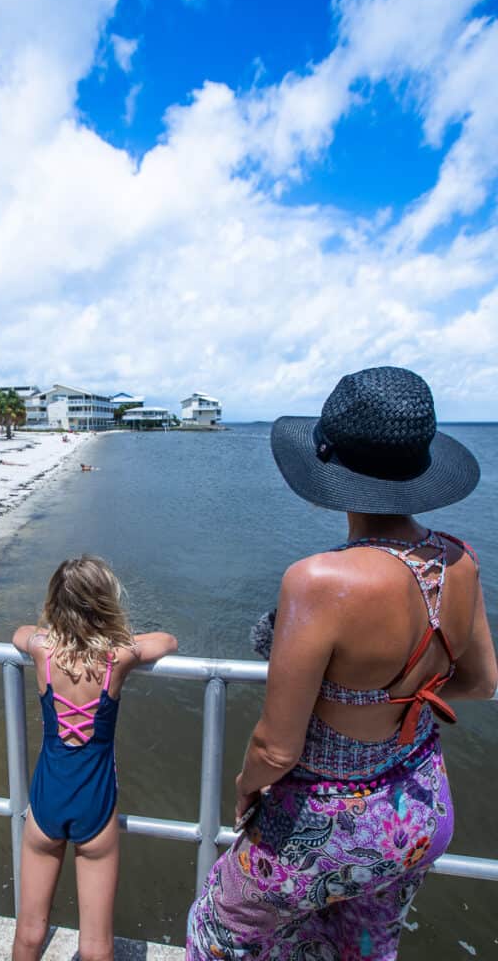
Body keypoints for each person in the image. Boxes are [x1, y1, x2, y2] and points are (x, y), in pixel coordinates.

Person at [187, 366, 497, 961]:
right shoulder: (460, 561)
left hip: (326, 827)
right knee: (363, 946)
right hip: (420, 811)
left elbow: (277, 749)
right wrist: (396, 701)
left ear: (331, 468)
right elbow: (482, 683)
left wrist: (244, 789)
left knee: (217, 931)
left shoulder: (318, 582)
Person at [12, 556, 178, 961]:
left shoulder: (42, 650)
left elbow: (19, 633)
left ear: (55, 601)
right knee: (96, 944)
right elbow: (168, 641)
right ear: (104, 601)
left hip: (47, 796)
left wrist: (47, 631)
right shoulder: (118, 656)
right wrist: (119, 636)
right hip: (96, 802)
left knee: (30, 930)